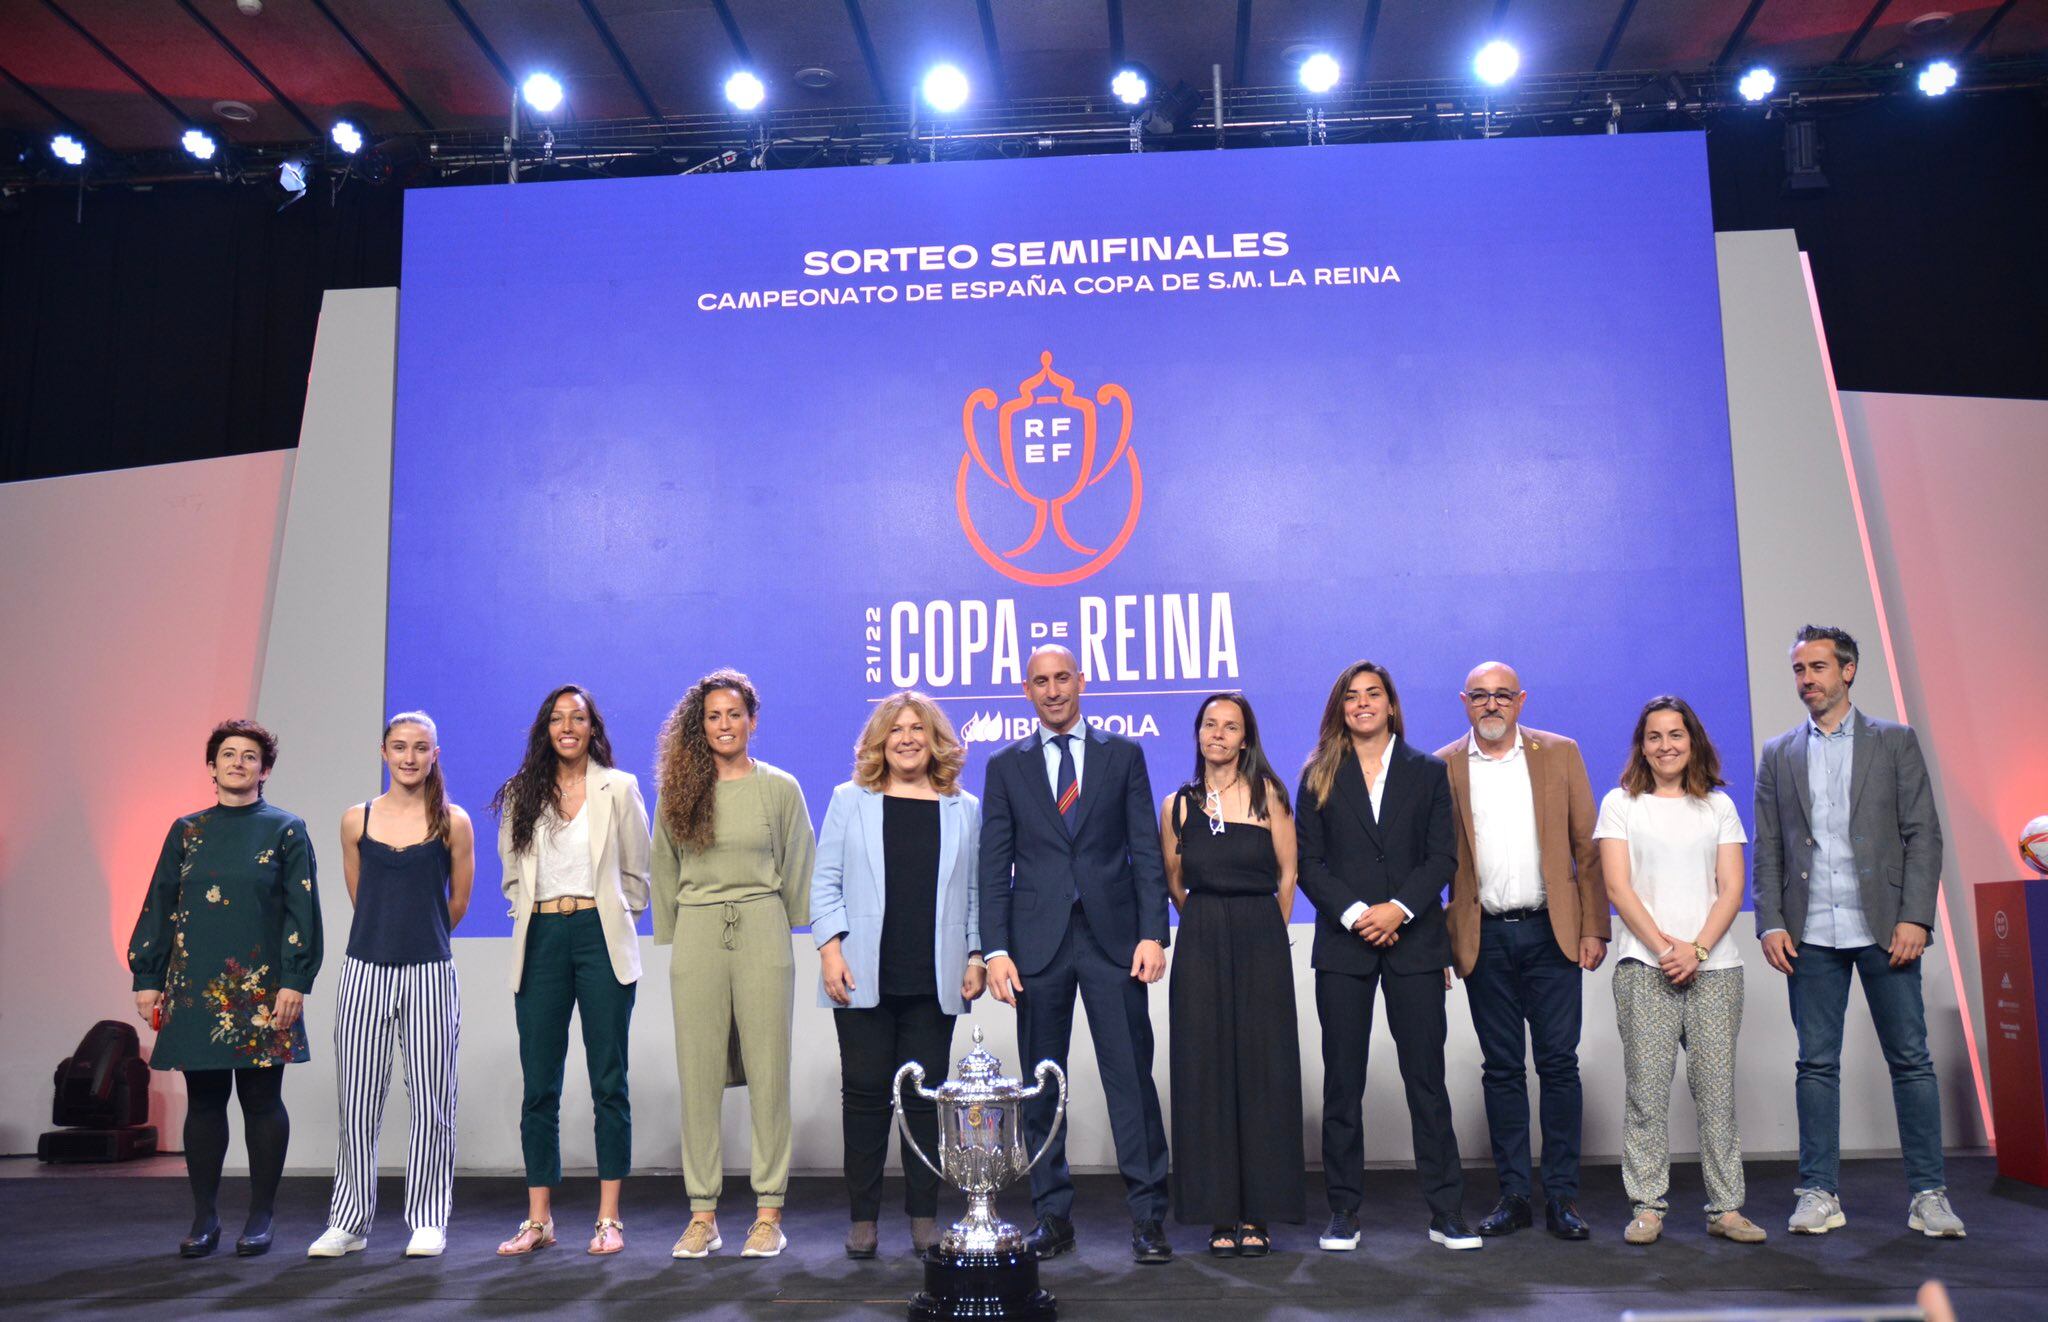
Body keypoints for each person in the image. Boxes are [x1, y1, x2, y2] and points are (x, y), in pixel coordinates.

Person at [1753, 625, 1963, 1238]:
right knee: (1815, 1065)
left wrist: (1916, 916)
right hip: (1810, 932)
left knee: (1911, 1061)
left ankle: (1928, 1195)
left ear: (1848, 671)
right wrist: (1770, 922)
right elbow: (1768, 844)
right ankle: (1818, 1192)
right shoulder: (1779, 752)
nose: (1807, 680)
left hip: (1887, 928)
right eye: (1799, 669)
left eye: (1818, 667)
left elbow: (1923, 833)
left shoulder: (1894, 741)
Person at [981, 644, 1174, 1264]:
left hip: (1114, 940)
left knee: (1131, 1080)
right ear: (1026, 690)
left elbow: (1146, 850)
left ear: (1082, 681)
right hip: (1036, 947)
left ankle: (1148, 1217)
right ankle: (1052, 1216)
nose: (1053, 689)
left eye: (1062, 677)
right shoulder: (1005, 766)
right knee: (1042, 1085)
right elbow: (993, 866)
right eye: (1041, 681)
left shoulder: (1124, 755)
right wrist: (995, 950)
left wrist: (1154, 933)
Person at [1296, 661, 1477, 1253]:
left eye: (1373, 694)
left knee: (1426, 1080)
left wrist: (1398, 909)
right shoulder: (1319, 774)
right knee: (1342, 1082)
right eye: (1352, 696)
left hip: (1415, 943)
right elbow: (1309, 864)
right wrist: (1357, 915)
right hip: (1343, 946)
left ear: (1391, 705)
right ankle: (1343, 1211)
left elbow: (1441, 858)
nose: (1363, 703)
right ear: (1341, 708)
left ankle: (1446, 1212)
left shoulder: (1428, 772)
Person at [129, 718, 323, 1258]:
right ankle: (205, 1217)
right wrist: (148, 978)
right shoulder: (186, 831)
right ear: (211, 767)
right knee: (205, 1102)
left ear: (265, 770)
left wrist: (295, 980)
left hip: (263, 989)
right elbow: (160, 904)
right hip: (194, 986)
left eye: (250, 756)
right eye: (228, 754)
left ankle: (261, 1215)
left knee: (262, 1100)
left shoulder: (286, 829)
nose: (239, 762)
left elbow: (302, 910)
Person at [810, 691, 986, 1258]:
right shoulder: (849, 800)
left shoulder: (964, 807)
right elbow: (825, 882)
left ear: (935, 740)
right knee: (864, 1097)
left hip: (936, 978)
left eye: (918, 729)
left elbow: (976, 892)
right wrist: (830, 951)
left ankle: (923, 1218)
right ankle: (863, 1220)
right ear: (880, 741)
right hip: (862, 974)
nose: (907, 738)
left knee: (925, 1100)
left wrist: (976, 955)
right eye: (896, 730)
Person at [1436, 662, 1608, 1241]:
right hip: (1482, 935)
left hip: (1551, 932)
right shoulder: (1442, 765)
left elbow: (1587, 848)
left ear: (1521, 700)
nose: (1492, 705)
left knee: (1559, 1064)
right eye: (1480, 696)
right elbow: (1433, 863)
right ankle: (1513, 1195)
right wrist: (1439, 946)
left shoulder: (1560, 752)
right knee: (1502, 1068)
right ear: (1464, 701)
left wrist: (1594, 927)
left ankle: (1561, 1196)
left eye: (1503, 695)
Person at [652, 669, 815, 1261]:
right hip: (697, 929)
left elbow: (799, 863)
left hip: (763, 926)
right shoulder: (679, 793)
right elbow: (663, 866)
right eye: (713, 716)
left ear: (752, 720)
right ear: (700, 726)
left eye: (734, 714)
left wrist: (784, 922)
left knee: (769, 1073)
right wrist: (676, 935)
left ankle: (769, 1214)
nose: (724, 725)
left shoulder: (780, 788)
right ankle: (703, 1215)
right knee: (698, 1076)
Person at [1594, 695, 1766, 1247]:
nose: (1665, 746)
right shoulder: (1620, 804)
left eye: (1675, 735)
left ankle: (1726, 1209)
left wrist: (1697, 949)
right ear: (1641, 746)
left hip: (1715, 970)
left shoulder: (1718, 806)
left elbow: (1732, 888)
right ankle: (1647, 1206)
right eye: (1654, 736)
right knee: (1646, 1094)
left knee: (1716, 1095)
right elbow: (1618, 886)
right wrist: (1666, 948)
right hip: (1644, 969)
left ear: (1693, 741)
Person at [491, 684, 651, 1258]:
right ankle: (539, 1220)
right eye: (557, 718)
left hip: (598, 935)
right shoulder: (522, 792)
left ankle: (609, 1218)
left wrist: (611, 919)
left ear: (591, 728)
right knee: (540, 1084)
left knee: (609, 1080)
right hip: (541, 938)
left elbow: (638, 876)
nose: (567, 727)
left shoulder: (619, 788)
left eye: (577, 718)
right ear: (545, 729)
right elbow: (512, 876)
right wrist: (536, 915)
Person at [308, 711, 474, 1260]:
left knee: (432, 1100)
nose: (409, 757)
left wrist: (419, 938)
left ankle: (427, 1220)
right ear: (384, 752)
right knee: (357, 1100)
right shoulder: (355, 820)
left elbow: (456, 903)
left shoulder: (453, 822)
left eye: (420, 747)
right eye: (399, 746)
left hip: (430, 971)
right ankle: (348, 1221)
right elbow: (362, 898)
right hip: (365, 969)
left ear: (434, 755)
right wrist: (388, 937)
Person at [1160, 692, 1303, 1257]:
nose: (1218, 734)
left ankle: (1257, 1213)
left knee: (1263, 1069)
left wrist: (1263, 929)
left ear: (1246, 739)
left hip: (1260, 937)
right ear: (1198, 733)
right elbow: (1175, 881)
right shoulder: (1177, 805)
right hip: (1201, 939)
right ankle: (1219, 1211)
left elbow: (1287, 875)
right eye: (1210, 724)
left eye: (1230, 726)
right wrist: (1206, 919)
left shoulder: (1271, 795)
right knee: (1206, 1070)